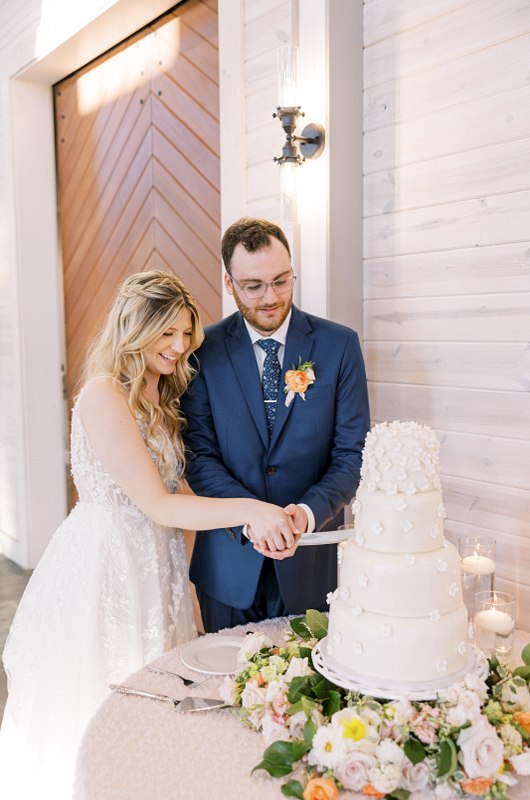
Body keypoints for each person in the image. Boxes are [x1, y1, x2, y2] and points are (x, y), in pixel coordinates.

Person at [0, 270, 298, 800]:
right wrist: (253, 509)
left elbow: (183, 482)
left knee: (158, 685)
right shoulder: (103, 395)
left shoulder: (166, 390)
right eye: (168, 334)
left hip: (155, 557)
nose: (180, 346)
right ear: (135, 328)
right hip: (108, 559)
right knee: (106, 691)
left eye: (187, 334)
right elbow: (159, 502)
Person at [181, 217, 371, 633]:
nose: (271, 297)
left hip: (312, 562)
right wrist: (252, 516)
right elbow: (199, 456)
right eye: (254, 286)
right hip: (228, 565)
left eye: (282, 281)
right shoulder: (200, 352)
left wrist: (305, 513)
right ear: (230, 284)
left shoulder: (339, 346)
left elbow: (352, 454)